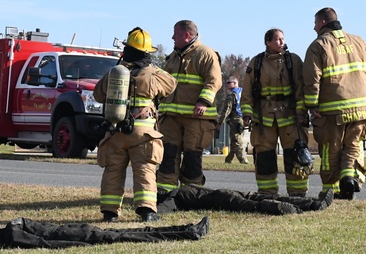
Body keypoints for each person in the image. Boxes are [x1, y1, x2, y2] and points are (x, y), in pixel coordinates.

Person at [92, 27, 177, 223]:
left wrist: (118, 69)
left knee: (113, 171)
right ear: (146, 53)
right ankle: (147, 213)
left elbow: (98, 94)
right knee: (145, 170)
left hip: (116, 130)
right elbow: (171, 85)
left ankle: (109, 213)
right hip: (143, 132)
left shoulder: (114, 74)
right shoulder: (153, 74)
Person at [303, 8, 366, 199]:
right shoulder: (358, 41)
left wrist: (312, 106)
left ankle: (331, 190)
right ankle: (349, 179)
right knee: (354, 145)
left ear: (322, 23)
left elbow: (312, 79)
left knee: (330, 149)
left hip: (333, 110)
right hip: (362, 108)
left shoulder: (319, 45)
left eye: (315, 24)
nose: (313, 28)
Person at [157, 20, 222, 193]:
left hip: (196, 118)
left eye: (175, 34)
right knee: (168, 155)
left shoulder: (205, 54)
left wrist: (203, 102)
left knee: (192, 158)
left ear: (187, 35)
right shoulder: (173, 57)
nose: (172, 37)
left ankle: (190, 194)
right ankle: (165, 192)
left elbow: (214, 81)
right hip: (171, 118)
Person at [242, 28, 310, 195]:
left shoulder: (293, 61)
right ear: (268, 42)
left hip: (290, 118)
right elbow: (247, 91)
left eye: (283, 39)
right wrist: (247, 114)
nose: (282, 42)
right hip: (264, 119)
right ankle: (267, 193)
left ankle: (298, 193)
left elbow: (301, 89)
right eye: (278, 39)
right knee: (264, 157)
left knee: (295, 155)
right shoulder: (256, 62)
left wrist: (301, 113)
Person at [0, 216, 210, 249]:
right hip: (74, 232)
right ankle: (187, 231)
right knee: (132, 232)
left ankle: (187, 231)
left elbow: (44, 243)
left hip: (75, 234)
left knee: (130, 233)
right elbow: (44, 241)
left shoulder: (11, 235)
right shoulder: (15, 228)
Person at [158, 184, 334, 216]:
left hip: (223, 193)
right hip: (218, 198)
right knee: (252, 205)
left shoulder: (177, 191)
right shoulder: (173, 198)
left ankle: (313, 203)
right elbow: (161, 209)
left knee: (261, 197)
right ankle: (278, 208)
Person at [220, 77, 249, 165]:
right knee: (235, 140)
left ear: (235, 83)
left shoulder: (232, 95)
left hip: (235, 120)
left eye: (229, 83)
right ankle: (228, 160)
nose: (227, 84)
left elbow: (226, 110)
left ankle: (244, 161)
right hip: (243, 120)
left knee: (237, 142)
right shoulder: (243, 92)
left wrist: (219, 122)